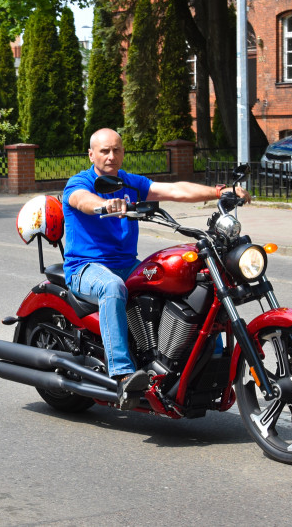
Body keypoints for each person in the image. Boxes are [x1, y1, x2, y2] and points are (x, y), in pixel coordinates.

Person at [63, 128, 251, 410]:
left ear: (123, 152)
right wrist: (105, 205)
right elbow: (82, 201)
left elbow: (174, 189)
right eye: (104, 151)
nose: (111, 156)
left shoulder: (131, 182)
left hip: (126, 264)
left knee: (177, 283)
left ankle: (184, 364)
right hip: (86, 267)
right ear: (91, 154)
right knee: (112, 287)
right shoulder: (80, 182)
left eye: (116, 150)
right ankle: (124, 375)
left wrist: (219, 191)